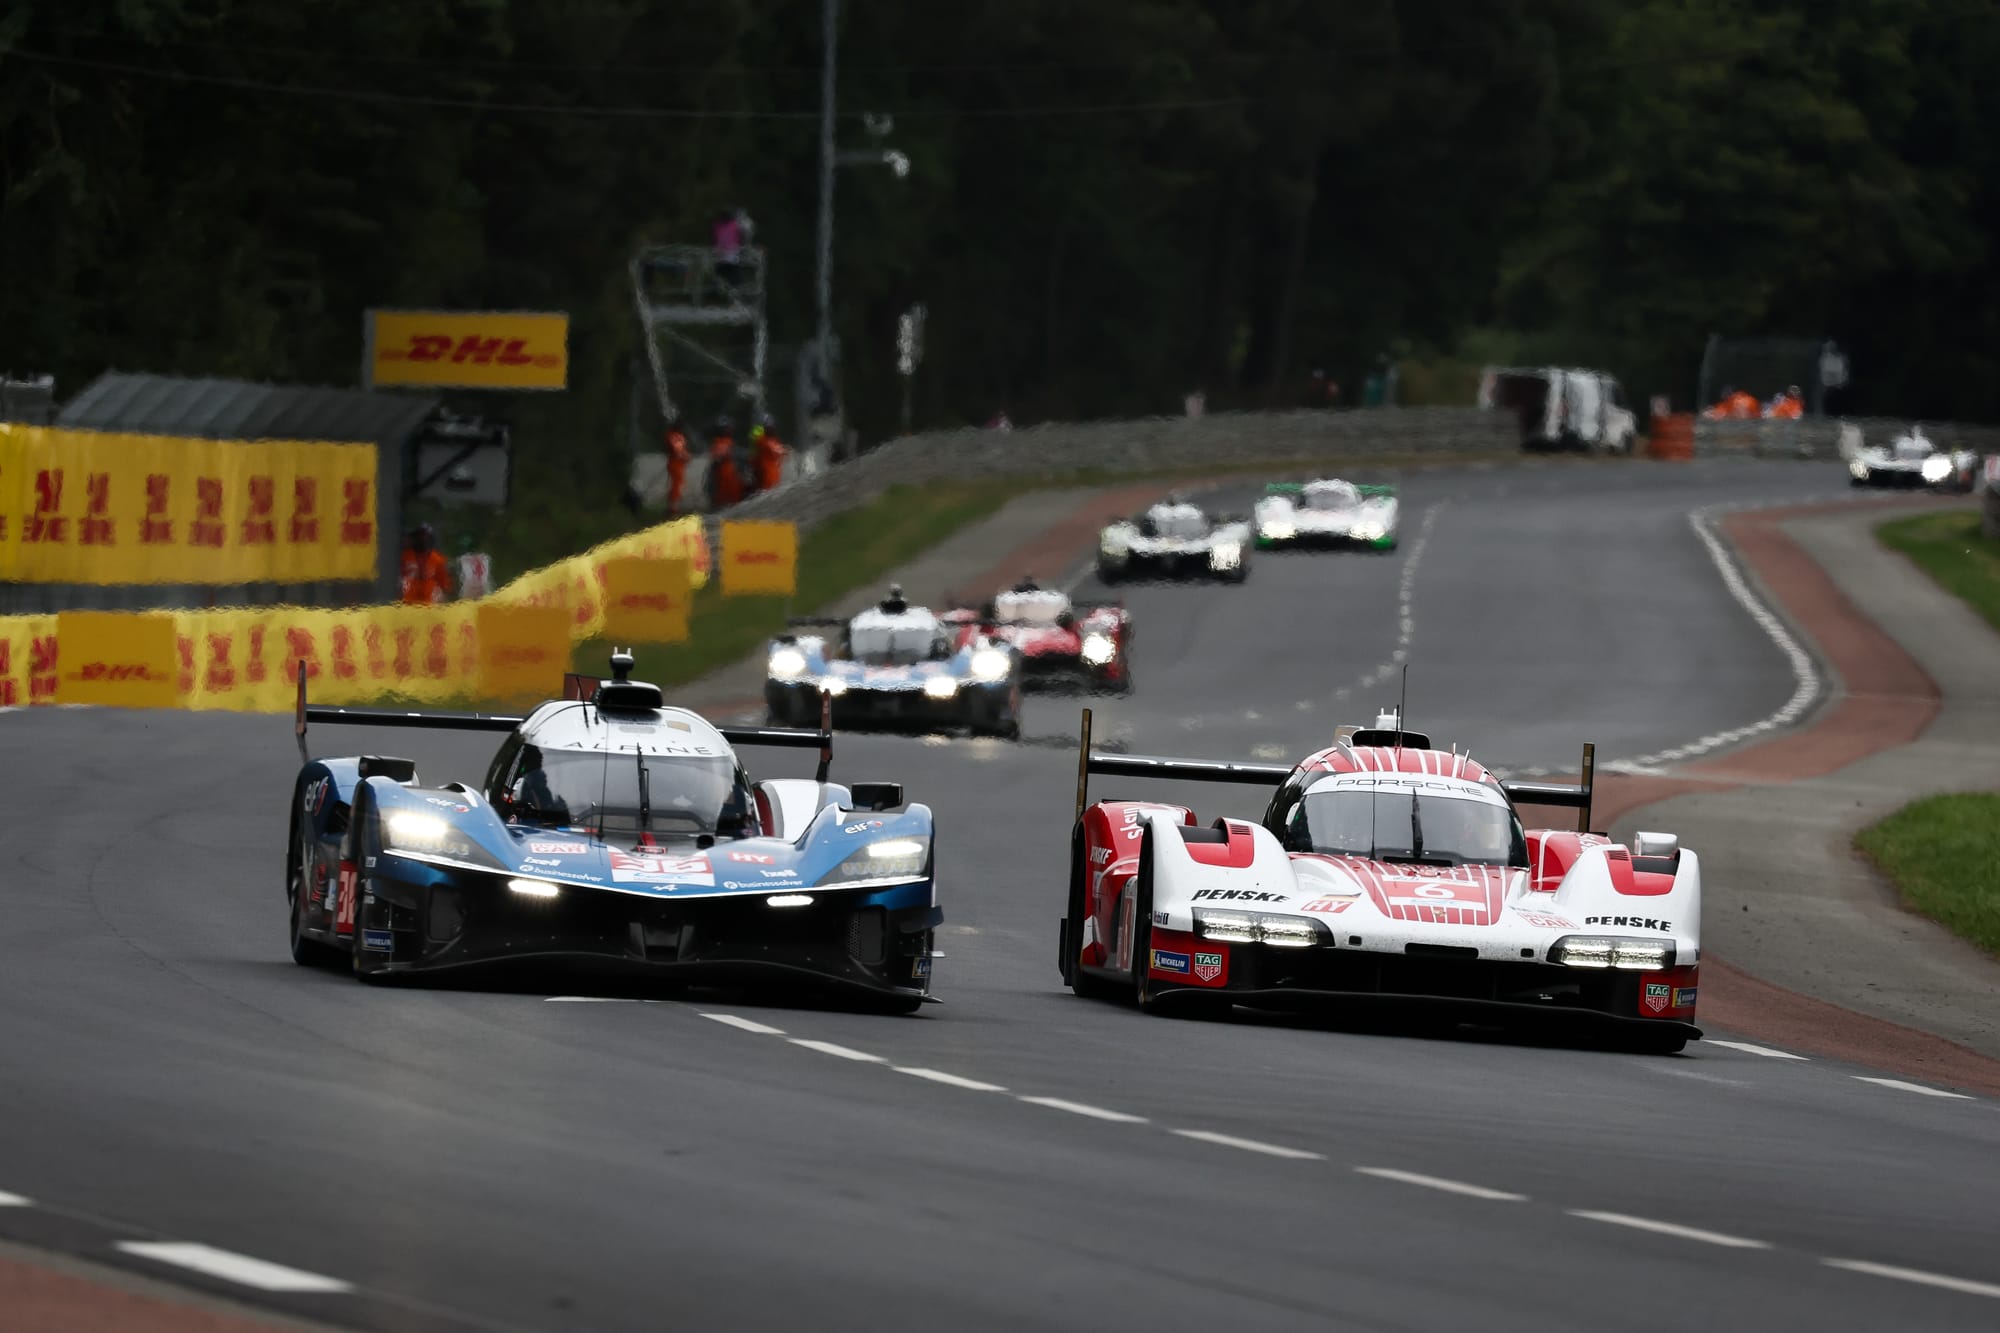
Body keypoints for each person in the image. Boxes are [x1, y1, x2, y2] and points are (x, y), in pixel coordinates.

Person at [400, 524, 452, 605]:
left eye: (425, 537)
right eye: (419, 536)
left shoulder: (438, 559)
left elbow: (445, 584)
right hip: (408, 603)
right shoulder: (405, 557)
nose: (422, 539)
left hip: (430, 605)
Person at [706, 415, 744, 509]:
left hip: (731, 474)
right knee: (725, 499)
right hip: (724, 476)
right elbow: (719, 457)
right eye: (727, 428)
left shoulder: (728, 441)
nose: (730, 430)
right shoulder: (719, 442)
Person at [752, 414, 788, 493]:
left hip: (773, 473)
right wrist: (785, 451)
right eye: (770, 427)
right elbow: (777, 450)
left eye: (773, 426)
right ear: (765, 428)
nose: (773, 428)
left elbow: (780, 450)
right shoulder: (762, 440)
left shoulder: (772, 439)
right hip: (768, 476)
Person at [664, 414, 692, 513]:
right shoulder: (673, 435)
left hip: (678, 463)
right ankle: (672, 509)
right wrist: (686, 456)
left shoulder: (677, 435)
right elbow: (677, 450)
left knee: (677, 485)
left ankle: (672, 506)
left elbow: (681, 449)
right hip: (675, 463)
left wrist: (686, 456)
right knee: (676, 485)